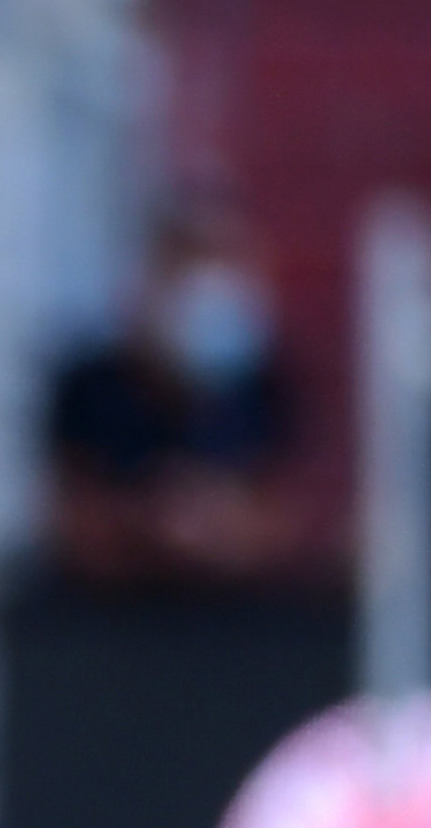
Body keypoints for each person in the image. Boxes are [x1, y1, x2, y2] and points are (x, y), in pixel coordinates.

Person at [41, 216, 310, 588]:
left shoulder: (262, 388)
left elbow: (293, 527)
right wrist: (148, 524)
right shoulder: (92, 388)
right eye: (185, 277)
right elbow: (70, 528)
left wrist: (222, 527)